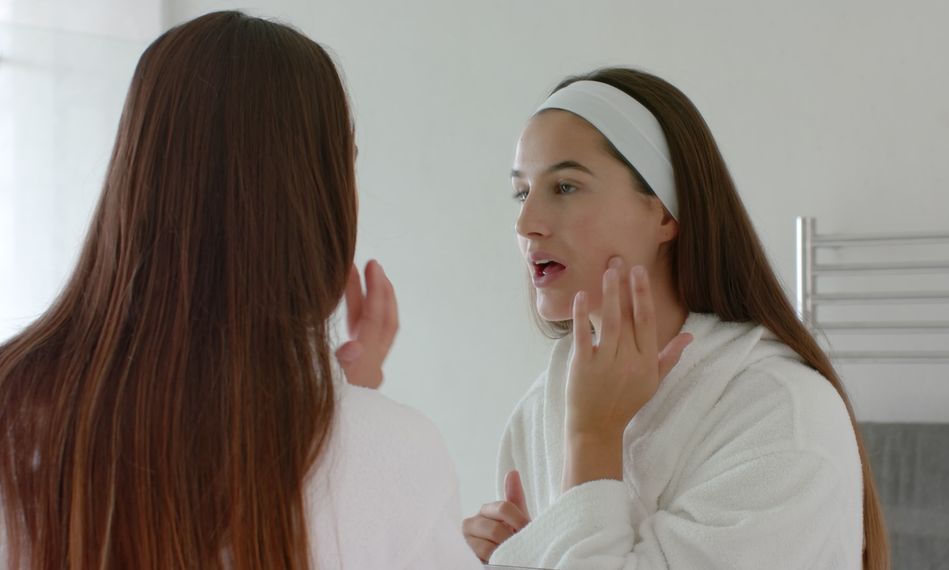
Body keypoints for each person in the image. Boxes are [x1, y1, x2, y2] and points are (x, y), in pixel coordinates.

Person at [0, 11, 481, 570]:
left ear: (135, 170)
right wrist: (351, 412)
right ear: (317, 197)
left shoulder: (16, 411)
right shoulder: (397, 457)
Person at [463, 67, 889, 569]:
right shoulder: (542, 409)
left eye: (565, 187)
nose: (526, 223)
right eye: (521, 192)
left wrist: (593, 441)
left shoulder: (782, 415)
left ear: (665, 213)